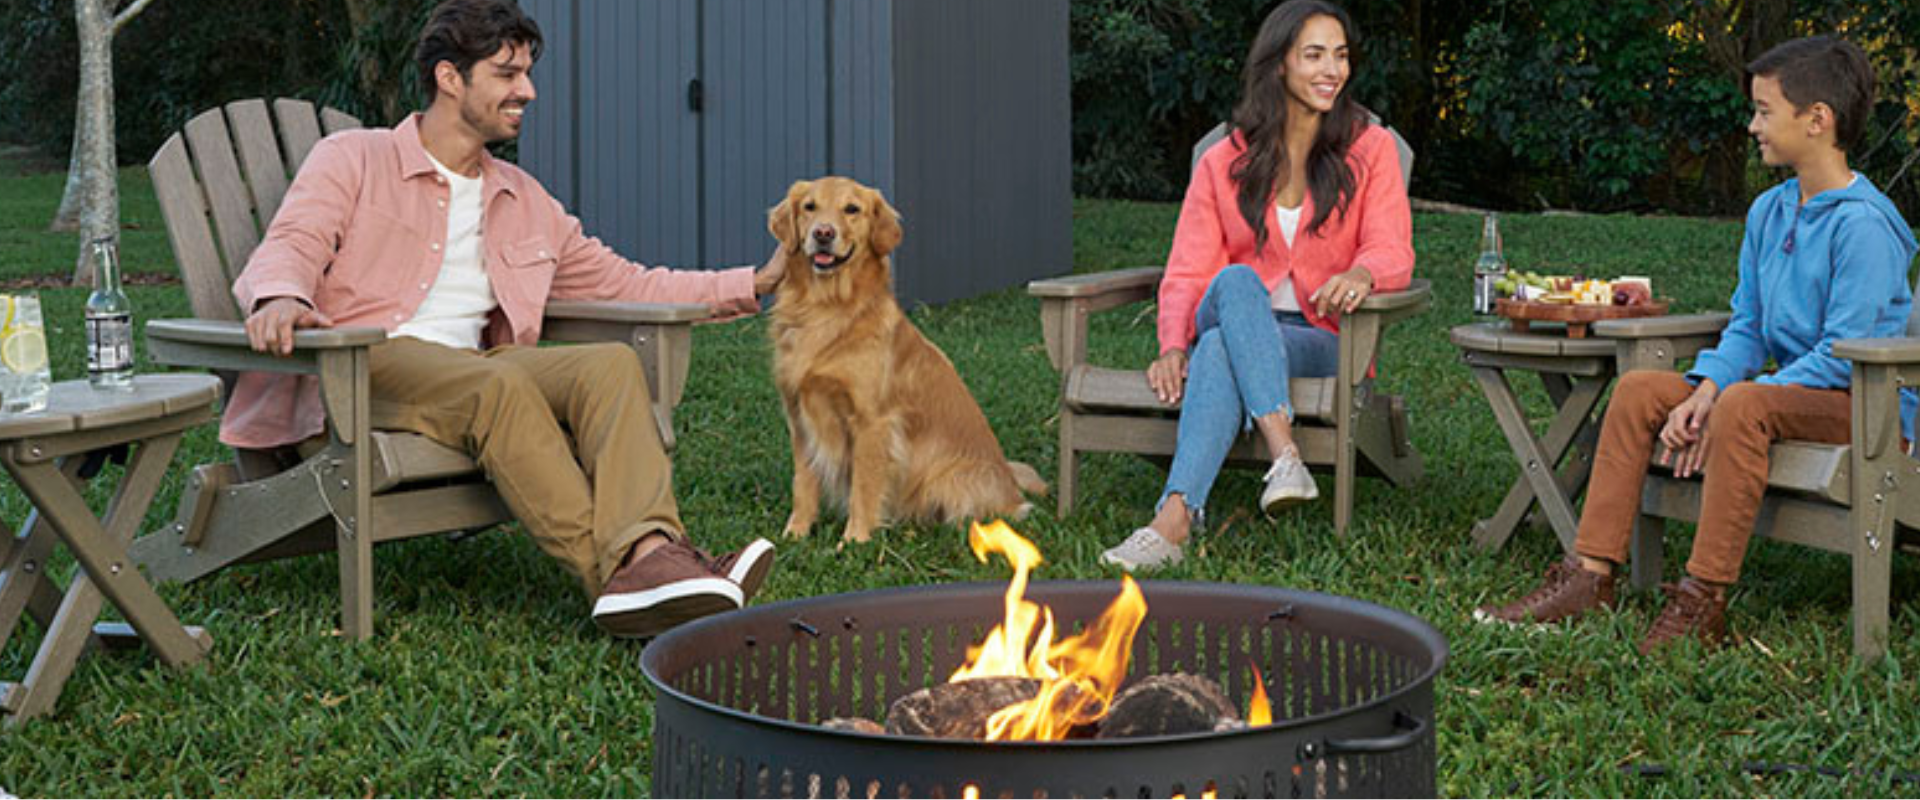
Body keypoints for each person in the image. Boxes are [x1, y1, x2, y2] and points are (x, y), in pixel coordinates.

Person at [228, 0, 784, 639]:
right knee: (499, 385)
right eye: (506, 73)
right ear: (449, 78)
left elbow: (628, 283)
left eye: (527, 73)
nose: (528, 91)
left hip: (468, 371)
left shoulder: (522, 197)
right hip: (359, 365)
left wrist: (756, 282)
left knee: (609, 366)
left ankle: (653, 557)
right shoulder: (354, 157)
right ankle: (633, 578)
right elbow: (294, 240)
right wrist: (281, 297)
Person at [1476, 36, 1919, 653]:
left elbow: (1844, 355)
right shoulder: (1769, 211)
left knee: (1744, 404)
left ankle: (1701, 600)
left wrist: (1734, 398)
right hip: (1784, 396)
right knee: (1639, 391)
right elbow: (1749, 326)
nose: (1752, 126)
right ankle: (1589, 575)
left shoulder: (1864, 226)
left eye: (1764, 111)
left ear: (1817, 119)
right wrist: (1708, 388)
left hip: (1866, 411)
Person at [1099, 0, 1415, 572]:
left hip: (1319, 338)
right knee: (1237, 282)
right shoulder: (1224, 160)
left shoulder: (1369, 150)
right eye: (1314, 55)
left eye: (1340, 55)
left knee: (1221, 347)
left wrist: (1362, 273)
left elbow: (1393, 247)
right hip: (1235, 306)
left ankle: (1173, 521)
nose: (1332, 70)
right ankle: (1285, 454)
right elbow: (1188, 268)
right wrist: (1171, 344)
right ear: (1279, 64)